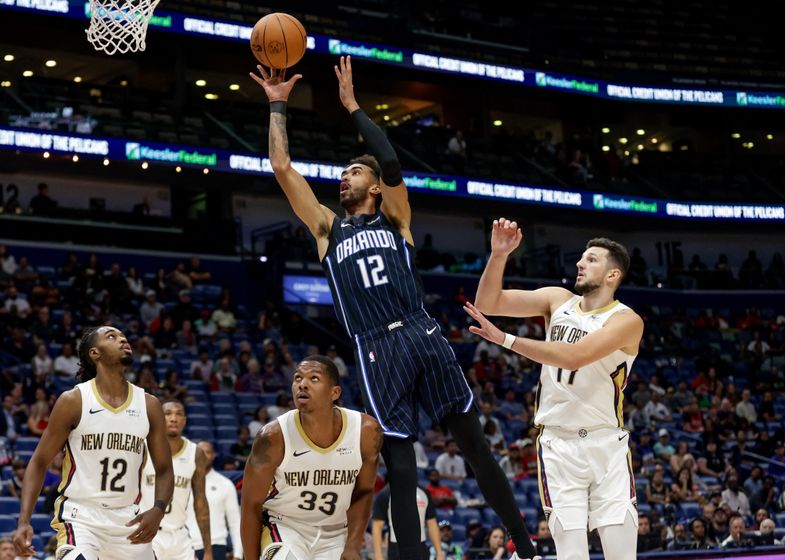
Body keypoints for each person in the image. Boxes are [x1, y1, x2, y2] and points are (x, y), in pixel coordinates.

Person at [248, 57, 537, 560]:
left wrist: (354, 107)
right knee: (402, 471)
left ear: (376, 187)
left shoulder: (397, 218)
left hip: (423, 334)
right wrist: (277, 106)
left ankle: (528, 548)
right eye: (342, 173)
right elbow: (281, 168)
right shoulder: (326, 229)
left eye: (354, 172)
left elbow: (392, 160)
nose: (344, 179)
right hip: (376, 346)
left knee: (476, 448)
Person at [467, 219, 644, 560]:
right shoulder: (557, 300)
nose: (580, 262)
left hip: (606, 445)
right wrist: (499, 256)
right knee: (571, 556)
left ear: (613, 275)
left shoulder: (626, 320)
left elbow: (574, 357)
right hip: (558, 446)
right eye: (582, 257)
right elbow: (489, 302)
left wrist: (505, 339)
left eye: (591, 259)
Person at [13, 326, 175, 559]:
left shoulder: (148, 404)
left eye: (123, 336)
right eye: (112, 336)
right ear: (94, 353)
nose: (122, 339)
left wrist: (158, 509)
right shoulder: (74, 401)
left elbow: (164, 468)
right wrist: (23, 521)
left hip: (129, 519)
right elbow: (39, 462)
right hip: (81, 517)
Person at [240, 355, 382, 560]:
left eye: (313, 378)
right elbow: (251, 505)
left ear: (335, 392)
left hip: (337, 533)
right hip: (285, 527)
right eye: (297, 378)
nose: (302, 385)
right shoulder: (273, 436)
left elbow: (364, 492)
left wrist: (352, 545)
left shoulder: (365, 432)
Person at [140, 400, 213, 560]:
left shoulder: (196, 453)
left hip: (180, 537)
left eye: (179, 414)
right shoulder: (143, 448)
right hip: (148, 534)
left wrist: (208, 550)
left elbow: (200, 502)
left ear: (185, 421)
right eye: (168, 414)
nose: (174, 418)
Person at [187, 441, 243, 560]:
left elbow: (235, 522)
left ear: (213, 456)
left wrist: (238, 554)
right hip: (186, 546)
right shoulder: (184, 483)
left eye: (207, 452)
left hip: (216, 546)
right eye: (199, 452)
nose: (203, 455)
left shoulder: (225, 484)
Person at [371, 484, 444, 560]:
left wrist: (439, 553)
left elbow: (432, 524)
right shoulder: (385, 494)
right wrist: (378, 555)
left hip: (421, 547)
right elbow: (377, 525)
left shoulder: (424, 492)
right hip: (396, 548)